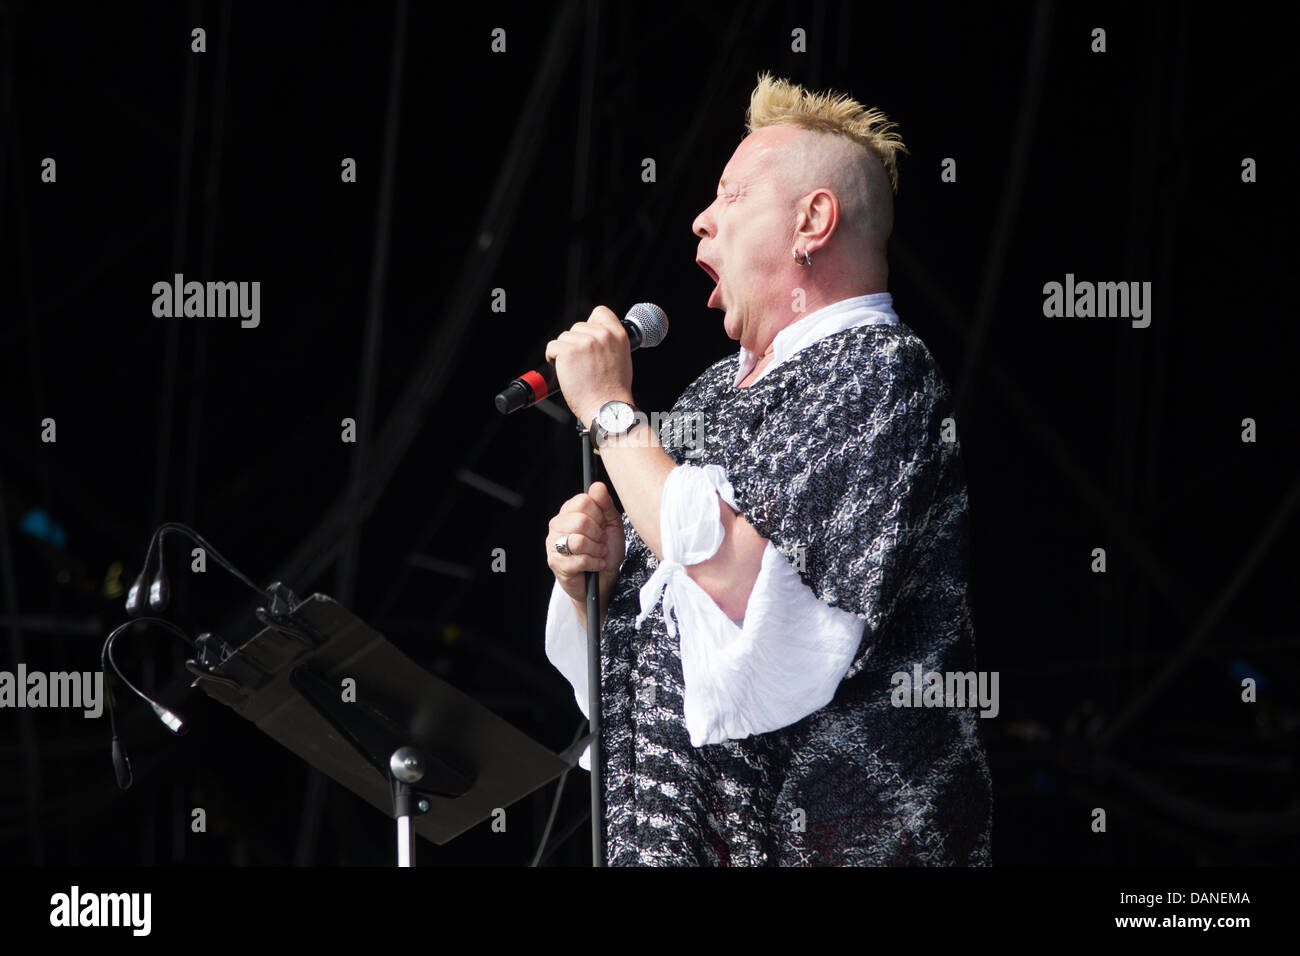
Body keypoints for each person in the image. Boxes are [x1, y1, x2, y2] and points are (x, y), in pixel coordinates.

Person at [541, 72, 992, 865]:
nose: (701, 221)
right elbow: (650, 678)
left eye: (731, 195)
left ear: (811, 221)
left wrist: (613, 413)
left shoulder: (880, 368)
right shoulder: (710, 392)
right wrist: (598, 585)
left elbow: (760, 600)